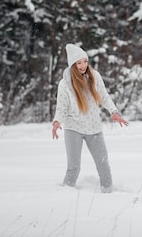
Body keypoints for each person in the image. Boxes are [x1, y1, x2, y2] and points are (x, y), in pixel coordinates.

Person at [52, 44, 128, 193]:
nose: (83, 65)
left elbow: (104, 97)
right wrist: (56, 122)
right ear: (73, 64)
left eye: (85, 61)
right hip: (73, 128)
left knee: (103, 163)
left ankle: (108, 192)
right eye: (79, 63)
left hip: (94, 127)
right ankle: (66, 194)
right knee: (73, 166)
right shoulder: (65, 84)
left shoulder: (94, 76)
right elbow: (61, 107)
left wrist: (114, 112)